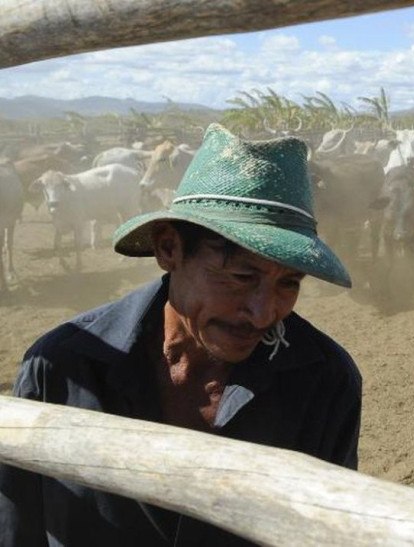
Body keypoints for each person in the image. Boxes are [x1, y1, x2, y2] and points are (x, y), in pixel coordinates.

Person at [0, 124, 362, 546]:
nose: (263, 313)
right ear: (169, 249)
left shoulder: (324, 382)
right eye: (241, 276)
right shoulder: (61, 369)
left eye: (289, 284)